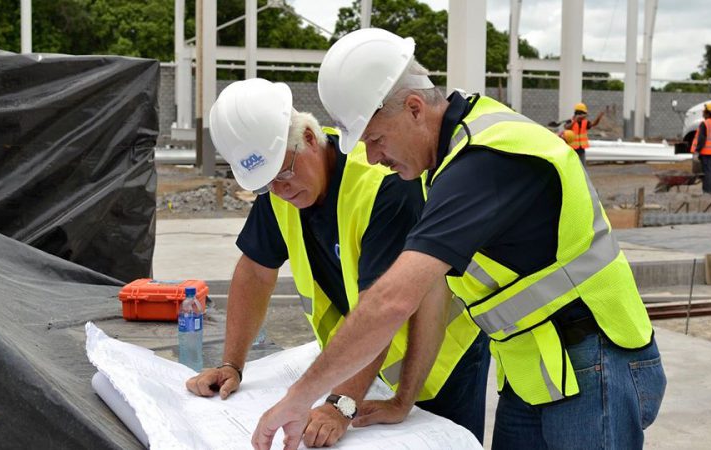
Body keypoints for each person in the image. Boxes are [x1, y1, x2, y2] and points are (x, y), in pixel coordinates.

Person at [253, 28, 667, 450]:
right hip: (537, 370)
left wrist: (298, 398)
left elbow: (392, 300)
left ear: (414, 108)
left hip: (596, 361)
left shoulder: (485, 163)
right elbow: (432, 288)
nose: (373, 157)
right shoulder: (446, 164)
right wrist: (403, 399)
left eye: (376, 139)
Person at [184, 78, 489, 447]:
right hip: (363, 364)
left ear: (310, 138)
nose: (279, 190)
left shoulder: (384, 185)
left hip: (439, 362)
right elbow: (255, 270)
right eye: (265, 184)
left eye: (283, 173)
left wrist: (342, 404)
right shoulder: (280, 183)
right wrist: (232, 363)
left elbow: (385, 307)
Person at [691, 101, 711, 195]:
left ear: (707, 112)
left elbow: (701, 139)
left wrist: (697, 151)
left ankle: (707, 192)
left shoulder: (704, 124)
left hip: (706, 152)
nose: (702, 113)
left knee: (707, 173)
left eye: (704, 111)